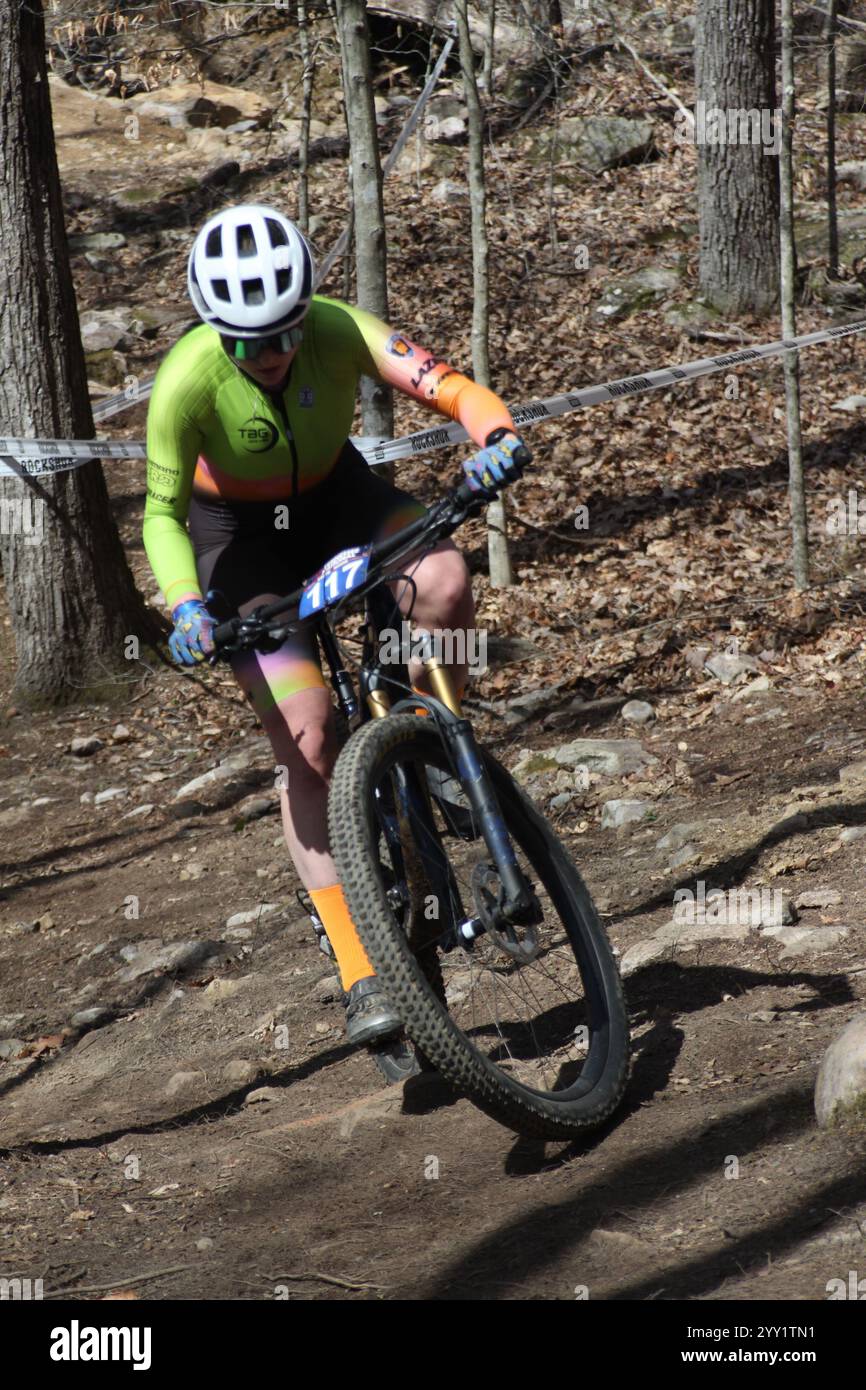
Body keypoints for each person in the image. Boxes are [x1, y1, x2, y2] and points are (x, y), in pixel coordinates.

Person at [143, 203, 529, 1046]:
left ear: (305, 311)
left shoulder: (343, 329)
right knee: (310, 741)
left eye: (283, 334)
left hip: (338, 500)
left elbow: (447, 385)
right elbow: (160, 513)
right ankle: (358, 966)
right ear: (216, 332)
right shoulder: (185, 379)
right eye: (246, 343)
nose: (270, 356)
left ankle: (438, 740)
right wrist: (182, 605)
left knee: (445, 580)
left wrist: (493, 430)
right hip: (235, 544)